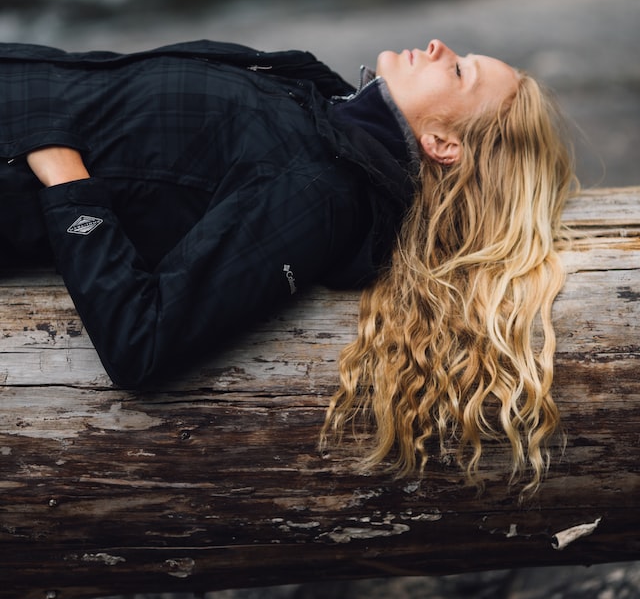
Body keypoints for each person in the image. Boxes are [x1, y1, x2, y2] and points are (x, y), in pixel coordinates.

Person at [0, 37, 574, 490]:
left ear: (443, 144)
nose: (437, 47)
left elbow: (142, 341)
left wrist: (62, 173)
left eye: (459, 72)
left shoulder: (320, 192)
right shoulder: (325, 105)